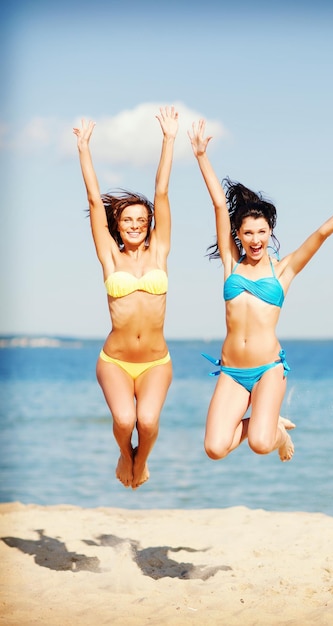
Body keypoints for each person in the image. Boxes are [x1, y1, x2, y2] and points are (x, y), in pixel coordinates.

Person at [188, 119, 333, 464]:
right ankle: (265, 422)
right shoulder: (230, 264)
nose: (255, 239)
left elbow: (322, 233)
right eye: (248, 233)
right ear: (238, 234)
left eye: (262, 231)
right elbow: (220, 207)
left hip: (268, 368)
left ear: (270, 232)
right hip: (233, 371)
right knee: (214, 449)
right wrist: (201, 156)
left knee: (260, 444)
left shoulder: (284, 270)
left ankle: (274, 431)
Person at [73, 106, 178, 489]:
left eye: (141, 220)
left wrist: (168, 141)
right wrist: (84, 149)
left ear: (149, 224)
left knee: (147, 422)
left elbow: (161, 192)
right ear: (117, 225)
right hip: (115, 360)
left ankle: (141, 460)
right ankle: (123, 454)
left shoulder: (160, 252)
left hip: (155, 362)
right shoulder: (109, 256)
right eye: (127, 221)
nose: (134, 225)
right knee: (124, 422)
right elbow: (93, 200)